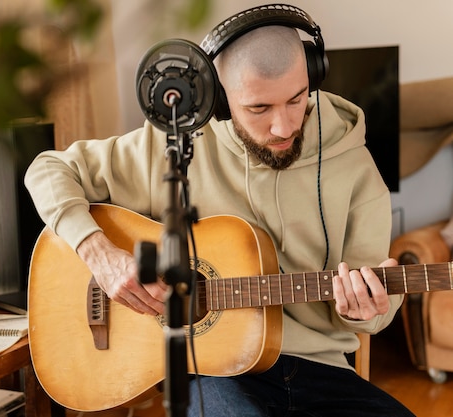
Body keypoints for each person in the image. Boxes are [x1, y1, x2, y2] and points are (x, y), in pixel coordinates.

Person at [25, 4, 414, 416]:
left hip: (322, 372)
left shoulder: (357, 169)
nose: (283, 127)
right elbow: (47, 168)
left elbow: (375, 311)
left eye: (297, 99)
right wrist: (99, 255)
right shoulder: (175, 145)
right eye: (259, 109)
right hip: (213, 372)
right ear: (221, 100)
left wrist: (368, 310)